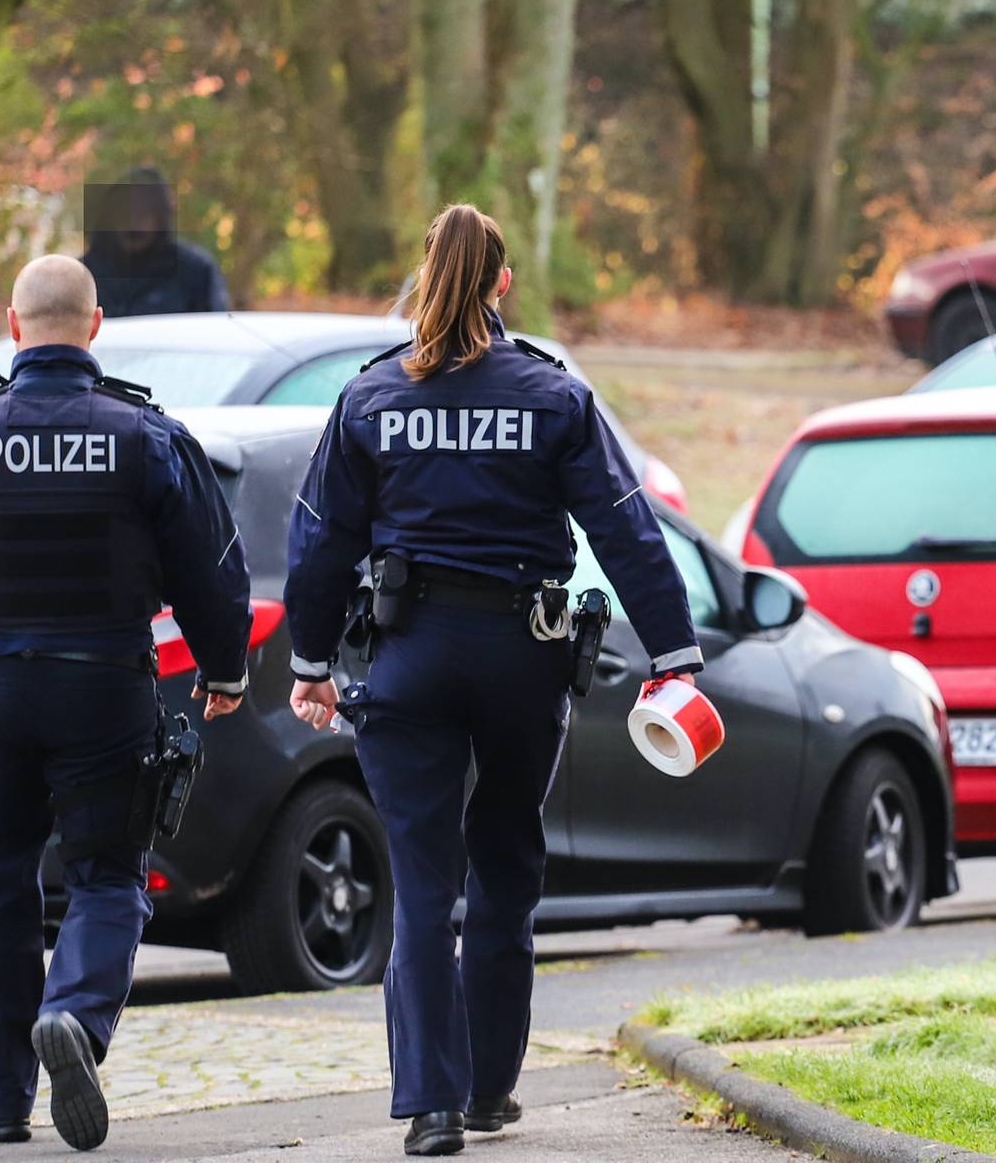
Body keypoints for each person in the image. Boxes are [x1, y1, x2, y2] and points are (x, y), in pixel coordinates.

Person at [283, 205, 700, 1157]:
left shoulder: (371, 398)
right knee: (507, 863)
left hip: (410, 653)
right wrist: (673, 656)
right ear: (502, 284)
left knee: (424, 883)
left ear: (426, 276)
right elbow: (626, 528)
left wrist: (311, 663)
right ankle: (490, 1089)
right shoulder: (553, 397)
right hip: (522, 654)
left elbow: (319, 541)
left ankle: (431, 1106)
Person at [0, 254, 253, 1151]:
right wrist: (225, 671)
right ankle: (76, 1018)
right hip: (106, 685)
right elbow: (213, 571)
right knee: (109, 874)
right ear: (94, 325)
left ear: (12, 326)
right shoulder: (147, 435)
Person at [79, 166, 232, 317]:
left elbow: (214, 331)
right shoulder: (84, 274)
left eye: (144, 213)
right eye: (125, 212)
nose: (134, 223)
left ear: (160, 218)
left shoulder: (195, 272)